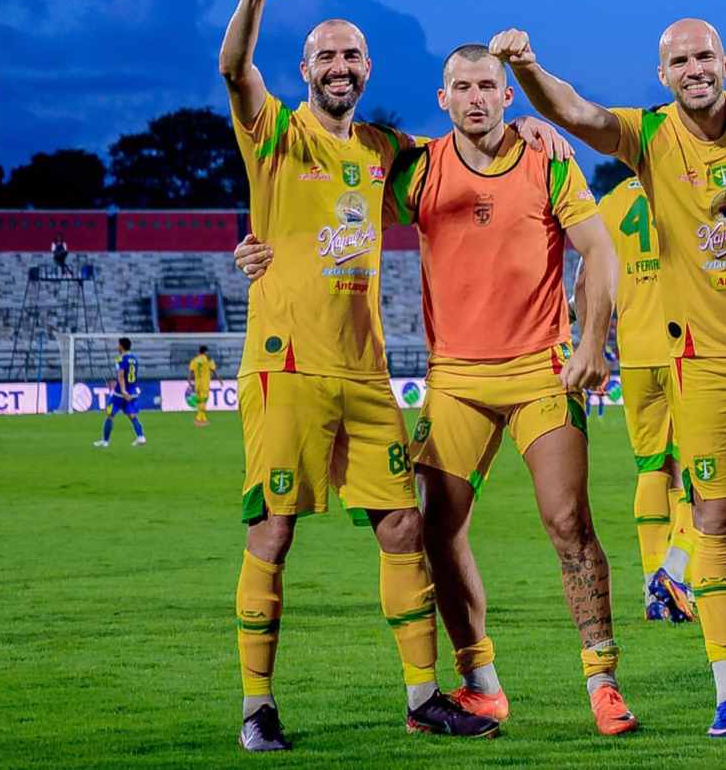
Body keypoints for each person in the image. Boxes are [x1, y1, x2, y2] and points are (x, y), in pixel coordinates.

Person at [235, 42, 637, 736]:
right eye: (462, 87)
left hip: (540, 367)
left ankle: (602, 679)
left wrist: (595, 340)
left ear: (508, 97)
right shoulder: (414, 170)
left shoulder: (546, 158)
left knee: (568, 520)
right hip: (453, 378)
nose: (476, 97)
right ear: (443, 99)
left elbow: (600, 250)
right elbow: (331, 195)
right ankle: (476, 679)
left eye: (489, 85)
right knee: (432, 530)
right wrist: (255, 245)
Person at [221, 0, 505, 749]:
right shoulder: (275, 130)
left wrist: (534, 138)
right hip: (286, 369)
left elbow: (468, 148)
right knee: (273, 531)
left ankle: (422, 699)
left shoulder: (385, 150)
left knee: (403, 529)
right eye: (325, 57)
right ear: (304, 69)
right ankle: (256, 707)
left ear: (367, 68)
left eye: (351, 56)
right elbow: (234, 66)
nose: (339, 67)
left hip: (367, 373)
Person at [489, 18, 726, 737]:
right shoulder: (651, 136)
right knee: (714, 519)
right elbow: (577, 111)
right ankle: (725, 690)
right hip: (704, 361)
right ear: (663, 75)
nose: (695, 69)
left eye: (705, 55)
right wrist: (527, 70)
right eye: (680, 60)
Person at [575, 178, 695, 622]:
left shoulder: (613, 201)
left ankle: (654, 593)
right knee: (702, 470)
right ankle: (676, 570)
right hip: (687, 346)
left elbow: (586, 277)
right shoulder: (687, 186)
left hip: (636, 354)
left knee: (652, 468)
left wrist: (592, 345)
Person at [93, 337, 146, 448]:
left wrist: (122, 390)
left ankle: (105, 441)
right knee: (132, 415)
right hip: (132, 392)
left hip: (120, 393)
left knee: (109, 414)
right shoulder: (135, 359)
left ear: (121, 346)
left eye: (118, 345)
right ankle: (141, 436)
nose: (117, 347)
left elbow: (121, 376)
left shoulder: (120, 359)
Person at [187, 345, 221, 425]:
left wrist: (189, 380)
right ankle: (200, 419)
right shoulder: (208, 359)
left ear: (199, 351)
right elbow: (213, 370)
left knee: (199, 400)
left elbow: (191, 372)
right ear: (205, 352)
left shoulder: (194, 360)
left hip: (197, 383)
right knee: (204, 400)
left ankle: (202, 418)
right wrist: (219, 380)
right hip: (205, 383)